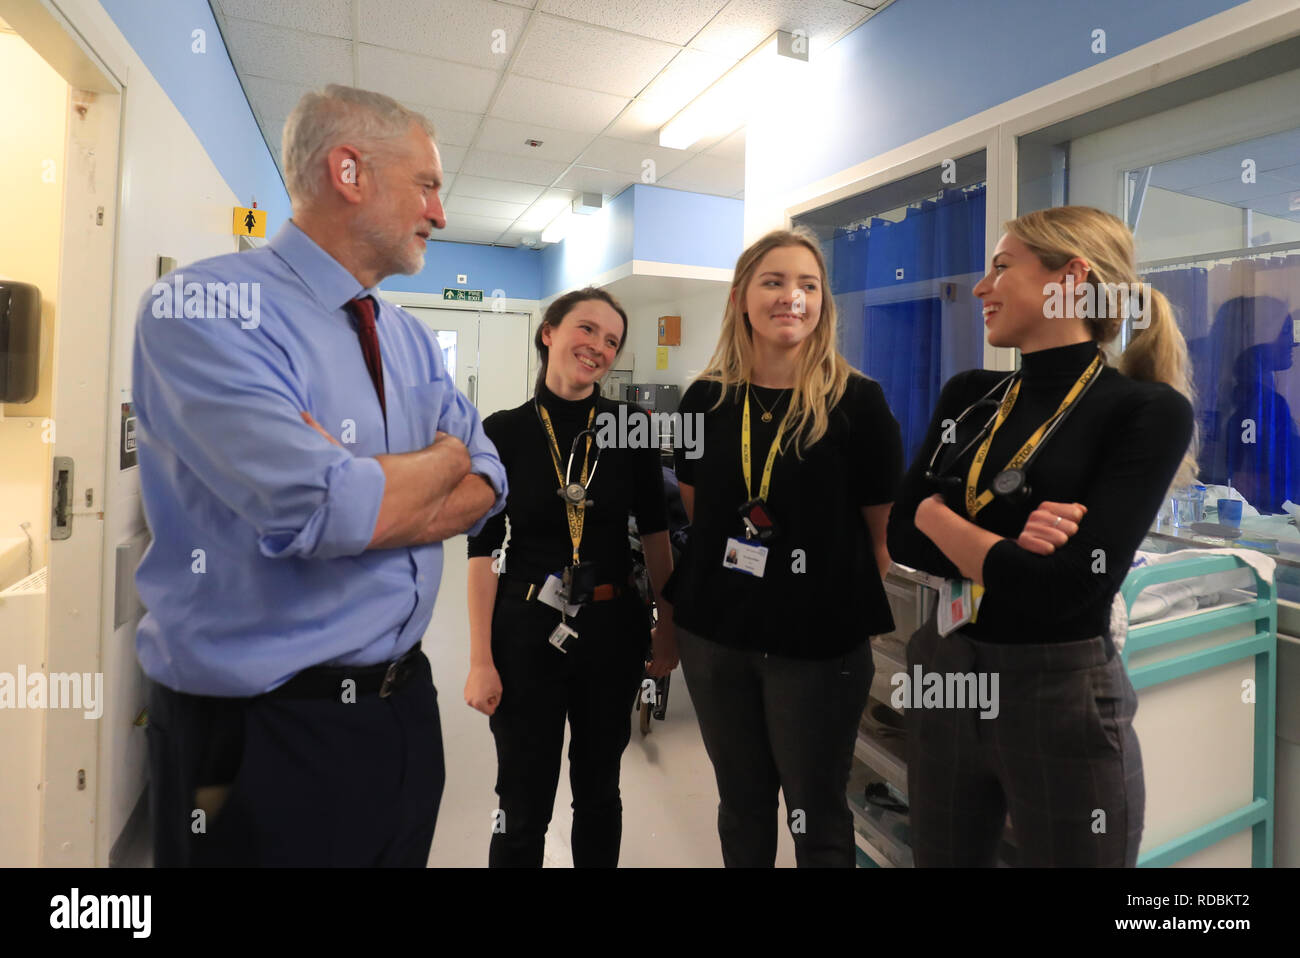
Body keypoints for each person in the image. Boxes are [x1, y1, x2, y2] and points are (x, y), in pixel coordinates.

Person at [132, 85, 507, 867]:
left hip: (402, 712)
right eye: (428, 184)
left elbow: (490, 484)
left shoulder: (404, 336)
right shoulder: (203, 311)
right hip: (261, 734)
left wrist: (379, 486)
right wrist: (438, 462)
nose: (439, 213)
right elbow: (327, 510)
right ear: (349, 171)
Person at [886, 205, 1197, 867]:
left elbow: (1062, 590)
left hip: (1058, 691)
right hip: (948, 665)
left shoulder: (1145, 411)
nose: (980, 287)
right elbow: (900, 534)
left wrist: (939, 515)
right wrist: (995, 537)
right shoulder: (970, 394)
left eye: (1002, 267)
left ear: (1069, 277)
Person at [665, 227, 903, 867]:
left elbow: (879, 539)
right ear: (742, 295)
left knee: (817, 813)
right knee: (740, 806)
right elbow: (700, 508)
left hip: (819, 648)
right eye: (774, 282)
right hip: (716, 637)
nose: (791, 297)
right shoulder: (705, 400)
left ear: (823, 302)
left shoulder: (858, 402)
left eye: (808, 285)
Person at [464, 287, 676, 868]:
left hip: (613, 629)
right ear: (549, 332)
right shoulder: (502, 431)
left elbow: (656, 535)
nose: (599, 347)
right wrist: (480, 657)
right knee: (522, 797)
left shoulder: (631, 426)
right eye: (587, 330)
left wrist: (668, 625)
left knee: (599, 790)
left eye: (612, 341)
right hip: (526, 630)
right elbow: (481, 552)